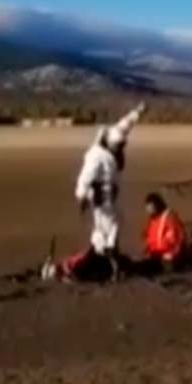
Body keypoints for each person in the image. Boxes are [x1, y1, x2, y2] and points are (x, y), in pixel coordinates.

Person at [71, 102, 147, 280]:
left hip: (111, 196)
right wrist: (81, 196)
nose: (120, 149)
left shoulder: (114, 137)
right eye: (117, 147)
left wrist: (137, 112)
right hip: (102, 198)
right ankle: (108, 260)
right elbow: (85, 177)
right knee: (108, 227)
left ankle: (106, 257)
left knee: (112, 225)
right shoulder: (95, 157)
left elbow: (125, 124)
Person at [142, 192, 187, 272]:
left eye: (151, 208)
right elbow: (149, 237)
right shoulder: (153, 220)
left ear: (157, 206)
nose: (148, 211)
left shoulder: (169, 217)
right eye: (147, 208)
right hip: (156, 255)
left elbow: (179, 236)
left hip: (170, 256)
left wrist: (175, 253)